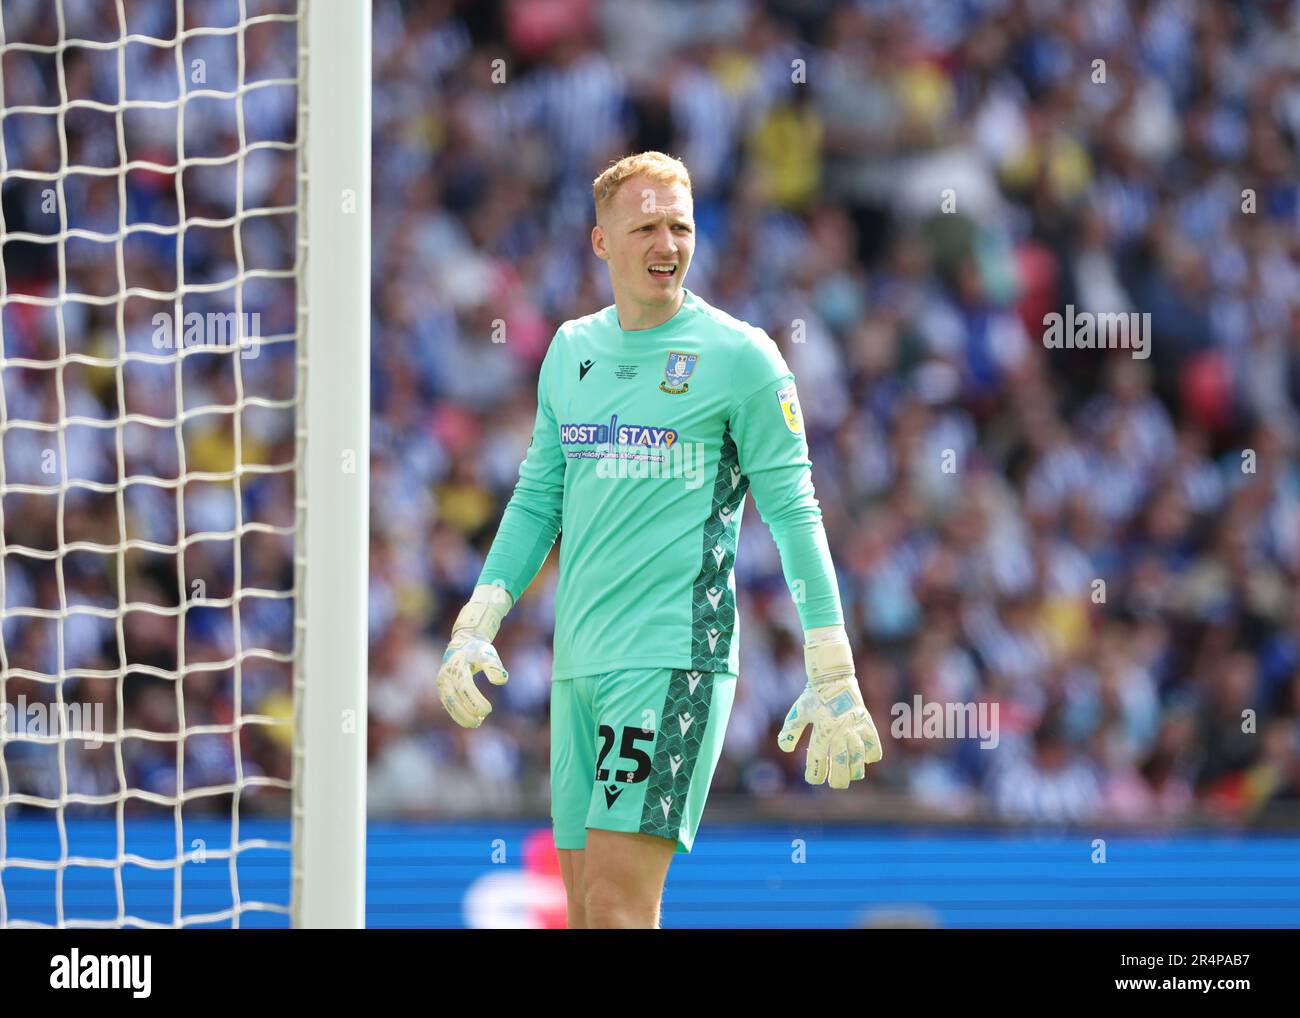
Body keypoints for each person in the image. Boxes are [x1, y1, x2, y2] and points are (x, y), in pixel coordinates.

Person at [436, 151, 882, 928]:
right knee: (582, 912)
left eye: (680, 226)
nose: (665, 244)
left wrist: (830, 658)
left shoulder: (743, 359)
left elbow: (795, 512)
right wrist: (479, 618)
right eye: (644, 226)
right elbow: (540, 499)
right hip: (580, 663)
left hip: (671, 658)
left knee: (615, 907)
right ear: (602, 242)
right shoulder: (572, 350)